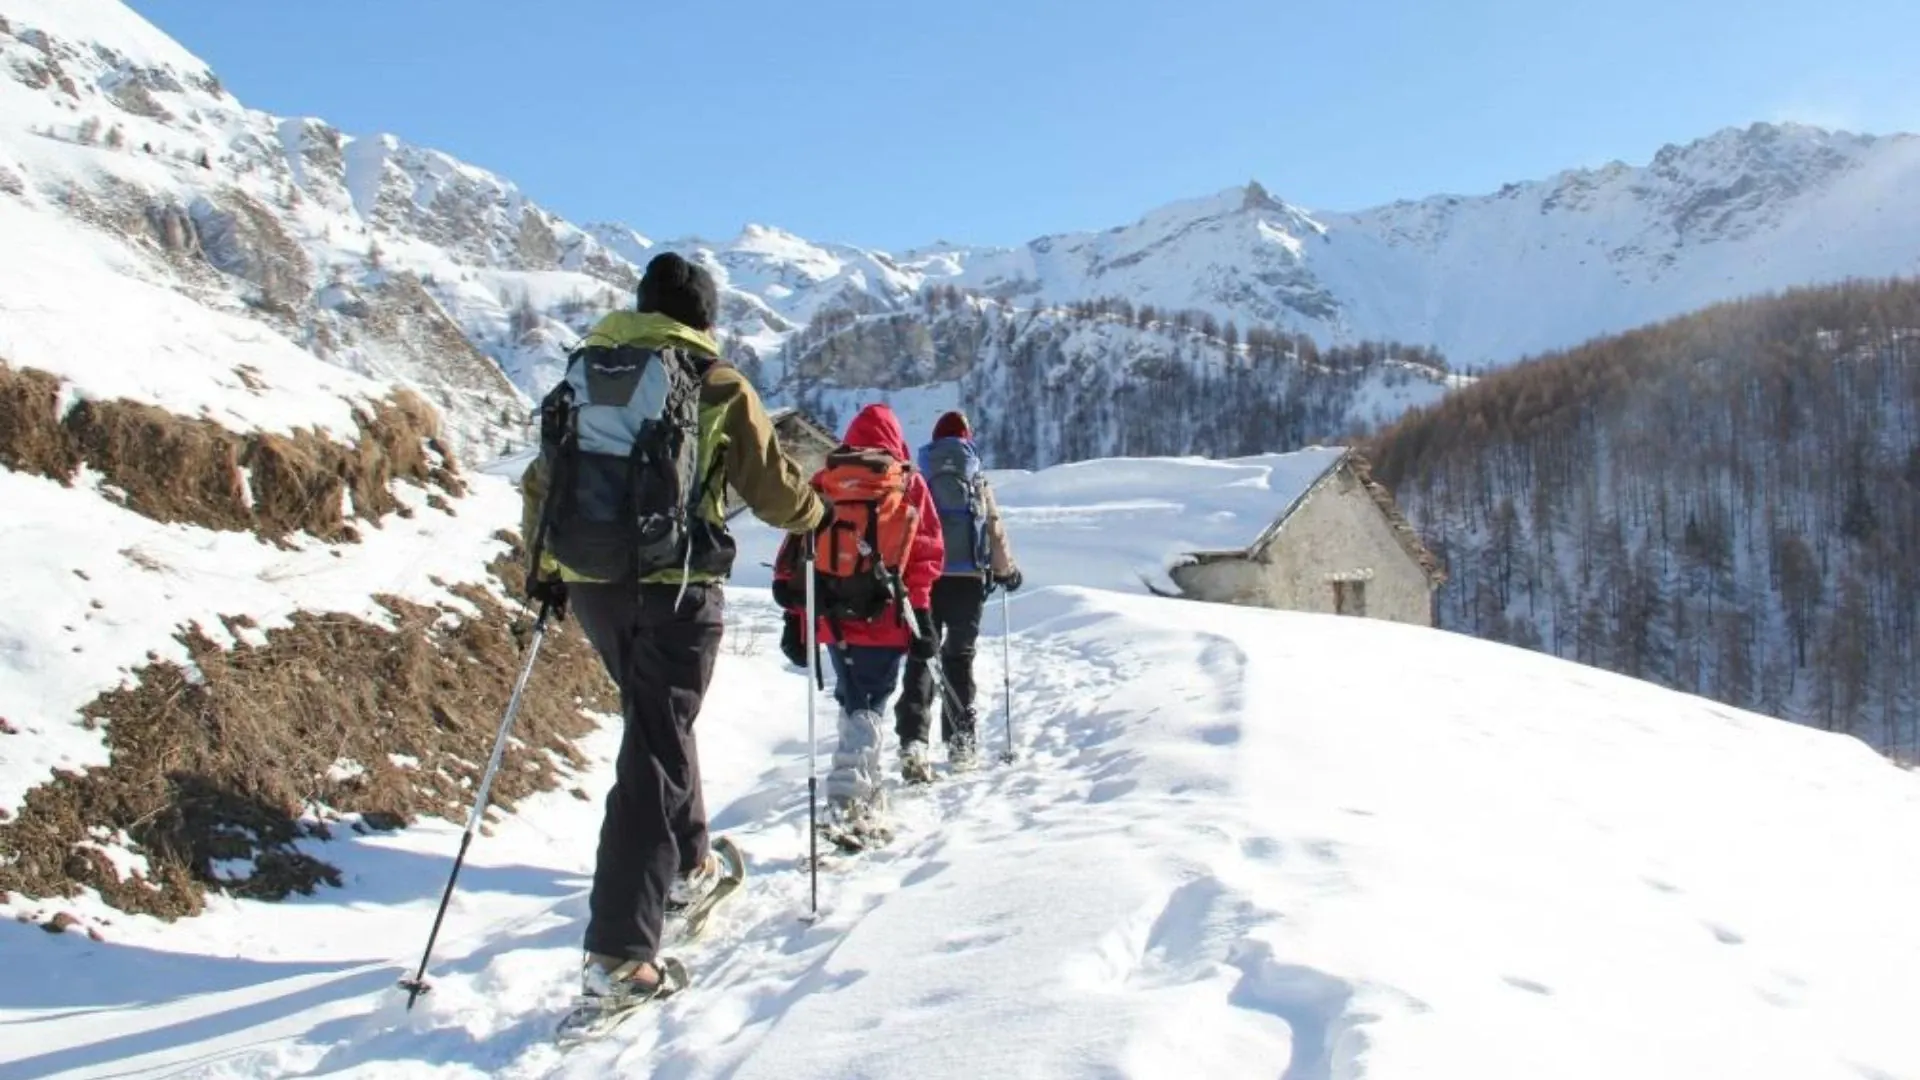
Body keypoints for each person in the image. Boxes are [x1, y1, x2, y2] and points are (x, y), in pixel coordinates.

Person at [521, 252, 825, 1005]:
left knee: (657, 725)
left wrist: (549, 568)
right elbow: (772, 489)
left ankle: (691, 868)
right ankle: (620, 954)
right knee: (653, 751)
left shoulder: (587, 370)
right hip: (676, 590)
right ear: (706, 319)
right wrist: (815, 514)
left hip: (594, 586)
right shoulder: (716, 382)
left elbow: (543, 477)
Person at [772, 403, 944, 840]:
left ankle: (862, 795)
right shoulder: (906, 481)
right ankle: (848, 801)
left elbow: (796, 549)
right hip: (885, 613)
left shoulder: (825, 479)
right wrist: (921, 613)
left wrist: (796, 618)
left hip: (831, 615)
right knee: (870, 703)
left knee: (855, 699)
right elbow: (925, 553)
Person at [893, 411, 1022, 779]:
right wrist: (1006, 571)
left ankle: (913, 742)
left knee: (921, 659)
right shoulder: (977, 480)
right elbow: (993, 529)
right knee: (959, 659)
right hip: (967, 582)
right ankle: (961, 743)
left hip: (925, 579)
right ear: (967, 439)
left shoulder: (918, 478)